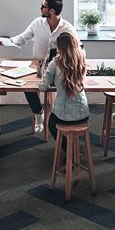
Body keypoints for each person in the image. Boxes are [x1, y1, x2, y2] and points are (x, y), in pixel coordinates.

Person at [0, 0, 82, 134]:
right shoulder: (37, 23)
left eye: (43, 7)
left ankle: (58, 116)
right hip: (38, 68)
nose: (40, 8)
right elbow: (23, 38)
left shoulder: (67, 29)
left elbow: (79, 48)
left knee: (60, 92)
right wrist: (7, 41)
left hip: (59, 70)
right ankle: (38, 112)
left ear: (52, 11)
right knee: (25, 85)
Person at [38, 32, 89, 163]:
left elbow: (43, 87)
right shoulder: (81, 59)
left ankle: (70, 152)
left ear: (60, 47)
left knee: (51, 124)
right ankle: (74, 149)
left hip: (64, 116)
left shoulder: (55, 63)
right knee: (68, 120)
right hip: (84, 114)